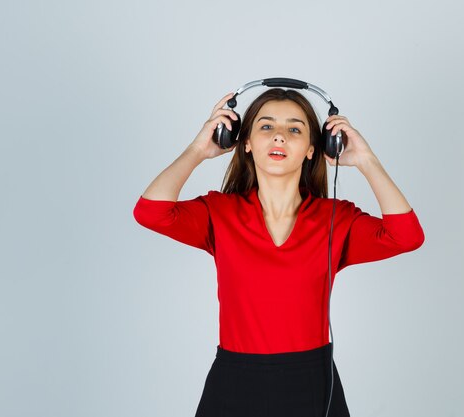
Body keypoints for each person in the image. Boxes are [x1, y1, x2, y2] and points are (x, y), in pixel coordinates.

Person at [133, 88, 425, 417]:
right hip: (234, 384)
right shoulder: (220, 213)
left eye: (295, 129)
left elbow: (407, 236)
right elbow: (150, 212)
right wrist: (198, 149)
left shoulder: (334, 219)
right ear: (245, 142)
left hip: (313, 386)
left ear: (315, 148)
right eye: (267, 127)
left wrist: (366, 161)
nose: (280, 137)